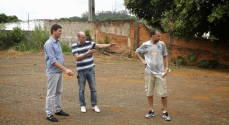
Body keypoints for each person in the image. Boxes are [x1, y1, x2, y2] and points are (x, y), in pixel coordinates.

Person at [71, 31, 116, 113]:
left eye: (85, 37)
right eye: (83, 37)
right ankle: (83, 105)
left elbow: (100, 45)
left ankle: (94, 105)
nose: (85, 38)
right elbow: (77, 58)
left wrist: (109, 45)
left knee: (93, 89)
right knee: (81, 90)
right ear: (78, 38)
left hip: (90, 69)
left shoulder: (89, 43)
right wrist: (87, 53)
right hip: (81, 71)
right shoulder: (74, 46)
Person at [135, 29, 171, 121]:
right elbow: (137, 51)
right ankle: (151, 110)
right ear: (152, 36)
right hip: (149, 73)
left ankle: (165, 112)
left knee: (163, 93)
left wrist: (166, 68)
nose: (160, 37)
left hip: (160, 73)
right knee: (149, 92)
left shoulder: (161, 44)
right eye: (158, 36)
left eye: (160, 36)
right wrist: (142, 60)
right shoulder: (145, 45)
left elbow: (165, 55)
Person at [44, 24, 74, 122]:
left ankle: (58, 110)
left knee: (58, 92)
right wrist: (65, 70)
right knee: (51, 93)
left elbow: (60, 58)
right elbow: (53, 60)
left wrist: (64, 69)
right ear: (54, 31)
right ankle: (49, 114)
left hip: (59, 71)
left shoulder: (57, 42)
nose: (61, 32)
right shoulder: (49, 44)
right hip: (53, 72)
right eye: (59, 31)